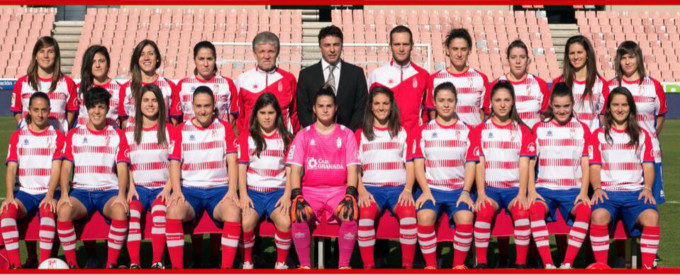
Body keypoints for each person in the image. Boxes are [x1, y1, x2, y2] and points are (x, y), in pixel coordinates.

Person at [165, 86, 241, 269]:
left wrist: (232, 190)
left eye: (207, 106)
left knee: (233, 212)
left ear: (214, 106)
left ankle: (227, 269)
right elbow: (175, 163)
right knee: (173, 211)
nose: (203, 110)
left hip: (219, 189)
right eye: (198, 106)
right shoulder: (181, 129)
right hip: (190, 190)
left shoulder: (224, 127)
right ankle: (177, 268)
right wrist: (176, 191)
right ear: (192, 106)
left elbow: (232, 161)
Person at [56, 87, 130, 268]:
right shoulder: (74, 134)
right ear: (86, 109)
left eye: (101, 107)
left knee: (120, 212)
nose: (96, 111)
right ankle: (72, 265)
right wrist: (65, 193)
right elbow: (66, 168)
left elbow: (122, 168)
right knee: (64, 212)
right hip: (81, 192)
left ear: (107, 109)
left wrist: (121, 194)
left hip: (108, 192)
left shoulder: (117, 134)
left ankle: (110, 264)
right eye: (93, 107)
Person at [287, 85, 359, 269]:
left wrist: (350, 194)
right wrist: (296, 195)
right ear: (314, 108)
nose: (325, 110)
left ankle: (344, 266)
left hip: (338, 191)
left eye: (329, 106)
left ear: (336, 108)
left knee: (350, 214)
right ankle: (304, 265)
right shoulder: (303, 135)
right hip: (311, 191)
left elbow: (352, 168)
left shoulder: (347, 134)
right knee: (298, 213)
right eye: (321, 106)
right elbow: (295, 169)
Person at [588, 87, 659, 269]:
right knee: (598, 215)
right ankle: (601, 267)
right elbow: (594, 166)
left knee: (651, 217)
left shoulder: (642, 135)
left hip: (635, 193)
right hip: (607, 194)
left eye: (624, 105)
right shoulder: (598, 135)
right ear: (609, 108)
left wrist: (648, 188)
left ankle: (648, 268)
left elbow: (648, 166)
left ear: (631, 108)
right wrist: (597, 188)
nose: (620, 109)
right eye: (615, 105)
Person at [469, 81, 536, 268]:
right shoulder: (480, 130)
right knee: (483, 210)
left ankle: (520, 264)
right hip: (490, 189)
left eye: (507, 100)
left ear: (513, 102)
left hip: (514, 189)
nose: (503, 104)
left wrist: (522, 193)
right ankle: (481, 263)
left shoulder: (522, 130)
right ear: (490, 102)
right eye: (498, 100)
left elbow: (524, 164)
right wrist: (481, 193)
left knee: (522, 212)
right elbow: (478, 164)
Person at [527, 82, 592, 269]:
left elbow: (585, 163)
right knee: (534, 210)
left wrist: (583, 192)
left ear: (572, 105)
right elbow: (531, 163)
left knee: (585, 211)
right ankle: (548, 264)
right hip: (545, 190)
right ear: (551, 106)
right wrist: (532, 190)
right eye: (557, 106)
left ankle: (567, 263)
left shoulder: (582, 129)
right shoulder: (539, 128)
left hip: (572, 190)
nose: (562, 110)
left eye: (566, 106)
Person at [412, 82, 476, 269]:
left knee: (465, 218)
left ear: (456, 102)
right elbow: (418, 164)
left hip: (458, 190)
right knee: (424, 217)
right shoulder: (423, 130)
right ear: (434, 102)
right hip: (432, 189)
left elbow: (471, 163)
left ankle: (458, 266)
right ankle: (431, 266)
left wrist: (465, 192)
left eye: (450, 100)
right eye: (441, 100)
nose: (446, 104)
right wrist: (424, 191)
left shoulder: (467, 130)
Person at [355, 86, 417, 269]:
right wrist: (362, 190)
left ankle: (407, 266)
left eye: (385, 103)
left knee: (408, 216)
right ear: (371, 107)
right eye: (377, 103)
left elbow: (410, 165)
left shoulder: (402, 132)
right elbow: (355, 168)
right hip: (371, 189)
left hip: (398, 189)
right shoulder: (361, 134)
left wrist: (407, 189)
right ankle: (369, 267)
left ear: (391, 106)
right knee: (365, 215)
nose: (381, 107)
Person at [1, 92, 64, 268]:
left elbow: (57, 168)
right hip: (24, 193)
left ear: (50, 111)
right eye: (36, 110)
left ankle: (43, 264)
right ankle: (15, 265)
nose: (40, 114)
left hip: (47, 192)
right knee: (7, 213)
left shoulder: (57, 136)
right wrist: (9, 196)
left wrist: (50, 194)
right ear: (28, 111)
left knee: (47, 210)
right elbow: (11, 167)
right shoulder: (18, 136)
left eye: (44, 110)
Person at [238, 93, 294, 269]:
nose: (267, 117)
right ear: (256, 115)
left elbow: (290, 170)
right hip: (253, 191)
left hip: (277, 192)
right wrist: (244, 195)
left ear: (278, 114)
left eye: (271, 112)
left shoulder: (286, 137)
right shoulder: (247, 136)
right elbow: (241, 168)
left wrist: (287, 195)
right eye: (262, 113)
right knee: (246, 222)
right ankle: (247, 261)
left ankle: (281, 263)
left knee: (285, 222)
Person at [607, 40, 667, 205]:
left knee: (650, 206)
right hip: (617, 155)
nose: (627, 61)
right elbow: (604, 118)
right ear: (618, 60)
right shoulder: (610, 86)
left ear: (639, 59)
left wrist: (647, 138)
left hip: (650, 153)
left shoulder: (653, 85)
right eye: (623, 57)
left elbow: (660, 116)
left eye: (631, 57)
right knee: (617, 205)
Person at [124, 84, 173, 269]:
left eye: (154, 100)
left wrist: (168, 188)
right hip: (139, 189)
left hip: (162, 188)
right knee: (134, 214)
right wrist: (131, 187)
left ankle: (157, 262)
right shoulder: (129, 131)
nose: (150, 104)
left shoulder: (169, 130)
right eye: (146, 100)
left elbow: (176, 163)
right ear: (139, 104)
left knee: (160, 215)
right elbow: (125, 163)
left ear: (161, 104)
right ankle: (134, 263)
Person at [297, 25, 368, 131]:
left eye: (336, 44)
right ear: (320, 46)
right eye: (327, 45)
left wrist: (347, 134)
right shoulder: (306, 75)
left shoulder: (356, 74)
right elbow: (303, 110)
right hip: (316, 141)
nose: (332, 50)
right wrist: (316, 135)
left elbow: (361, 108)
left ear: (342, 46)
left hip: (347, 138)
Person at [367, 25, 429, 134]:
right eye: (397, 44)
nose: (401, 49)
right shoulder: (377, 75)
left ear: (412, 46)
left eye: (405, 44)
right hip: (386, 140)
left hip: (414, 138)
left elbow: (428, 112)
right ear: (390, 46)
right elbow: (368, 110)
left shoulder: (423, 75)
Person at [236, 32, 299, 134]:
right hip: (252, 141)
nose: (266, 56)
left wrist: (290, 136)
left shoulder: (289, 79)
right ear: (254, 53)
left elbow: (294, 113)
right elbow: (240, 117)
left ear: (277, 53)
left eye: (271, 51)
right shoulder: (243, 80)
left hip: (283, 141)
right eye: (262, 51)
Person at [11, 36, 77, 133]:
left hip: (57, 143)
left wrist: (62, 131)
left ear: (56, 56)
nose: (46, 56)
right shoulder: (21, 83)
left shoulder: (68, 83)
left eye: (50, 51)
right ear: (36, 56)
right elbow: (16, 110)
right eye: (41, 51)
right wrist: (26, 128)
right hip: (29, 142)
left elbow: (71, 112)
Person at [425, 28, 489, 127]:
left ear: (469, 50)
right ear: (447, 50)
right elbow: (432, 113)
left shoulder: (481, 78)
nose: (459, 54)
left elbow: (485, 113)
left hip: (472, 138)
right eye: (455, 49)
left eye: (463, 49)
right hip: (445, 137)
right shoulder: (434, 79)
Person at [487, 40, 549, 129]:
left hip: (532, 140)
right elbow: (488, 115)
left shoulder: (540, 85)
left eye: (522, 57)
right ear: (508, 60)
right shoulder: (496, 85)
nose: (518, 61)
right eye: (513, 57)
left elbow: (545, 116)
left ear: (527, 60)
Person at [119, 39, 180, 127]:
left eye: (150, 54)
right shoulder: (126, 88)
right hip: (135, 139)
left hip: (161, 138)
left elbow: (174, 120)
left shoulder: (170, 86)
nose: (146, 58)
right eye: (142, 54)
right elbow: (124, 121)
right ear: (137, 59)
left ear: (157, 58)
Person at [552, 35, 608, 131]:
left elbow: (604, 118)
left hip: (590, 140)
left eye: (579, 52)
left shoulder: (601, 84)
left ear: (587, 54)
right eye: (572, 53)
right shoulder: (559, 82)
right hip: (566, 139)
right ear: (567, 56)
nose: (576, 57)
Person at [177, 41, 238, 125]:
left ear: (215, 60)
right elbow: (176, 120)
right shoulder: (183, 85)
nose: (205, 64)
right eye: (201, 59)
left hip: (219, 136)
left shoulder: (228, 84)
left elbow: (233, 119)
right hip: (190, 137)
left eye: (209, 59)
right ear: (194, 60)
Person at [76, 45, 122, 128]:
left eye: (101, 61)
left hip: (111, 137)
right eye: (93, 61)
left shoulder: (120, 89)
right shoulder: (78, 88)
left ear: (108, 63)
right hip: (83, 138)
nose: (97, 65)